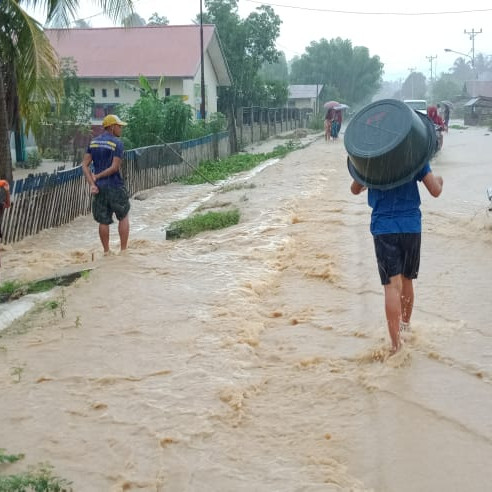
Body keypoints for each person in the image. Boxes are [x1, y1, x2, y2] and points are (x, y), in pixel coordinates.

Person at [350, 162, 443, 354]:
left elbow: (354, 189)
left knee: (391, 286)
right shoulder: (414, 152)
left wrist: (369, 178)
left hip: (384, 228)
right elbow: (435, 190)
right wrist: (440, 181)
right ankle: (406, 328)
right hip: (410, 227)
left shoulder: (372, 157)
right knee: (407, 280)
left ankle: (396, 346)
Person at [81, 114, 130, 254]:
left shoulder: (93, 142)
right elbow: (114, 168)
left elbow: (84, 165)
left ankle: (106, 251)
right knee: (123, 216)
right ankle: (123, 250)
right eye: (119, 126)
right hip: (115, 186)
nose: (121, 129)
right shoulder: (117, 143)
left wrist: (92, 183)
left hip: (100, 188)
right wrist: (98, 176)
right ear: (112, 127)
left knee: (103, 220)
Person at [0, 179, 11, 267]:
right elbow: (8, 204)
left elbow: (7, 204)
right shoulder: (1, 205)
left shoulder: (1, 205)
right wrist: (7, 191)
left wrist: (7, 191)